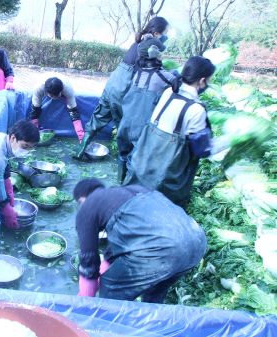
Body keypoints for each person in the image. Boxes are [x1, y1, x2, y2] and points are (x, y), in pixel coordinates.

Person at [73, 179, 206, 303]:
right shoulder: (135, 190)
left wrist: (85, 301)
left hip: (163, 249)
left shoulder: (88, 205)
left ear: (82, 199)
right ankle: (147, 325)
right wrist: (106, 265)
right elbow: (119, 248)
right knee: (153, 294)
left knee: (111, 289)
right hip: (197, 241)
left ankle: (102, 326)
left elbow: (88, 260)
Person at [123, 56, 217, 207]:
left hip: (141, 168)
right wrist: (231, 141)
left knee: (132, 205)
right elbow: (202, 150)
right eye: (209, 80)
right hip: (165, 181)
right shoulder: (196, 110)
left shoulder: (168, 93)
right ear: (202, 81)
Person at [75, 17, 170, 158]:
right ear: (156, 33)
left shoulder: (138, 41)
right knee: (124, 129)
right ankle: (123, 170)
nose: (166, 37)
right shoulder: (150, 46)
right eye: (165, 33)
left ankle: (79, 152)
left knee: (97, 119)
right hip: (123, 89)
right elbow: (154, 72)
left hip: (112, 85)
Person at [115, 37, 175, 182]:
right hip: (141, 127)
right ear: (157, 55)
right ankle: (127, 189)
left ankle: (119, 181)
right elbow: (179, 86)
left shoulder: (137, 74)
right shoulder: (163, 76)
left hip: (126, 123)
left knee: (123, 153)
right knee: (135, 159)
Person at [29, 77, 84, 141]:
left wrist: (81, 136)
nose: (55, 98)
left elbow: (74, 112)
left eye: (57, 96)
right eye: (52, 96)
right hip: (43, 81)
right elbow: (35, 111)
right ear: (46, 92)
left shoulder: (68, 89)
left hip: (64, 83)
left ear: (61, 91)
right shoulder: (38, 89)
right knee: (36, 109)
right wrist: (35, 133)